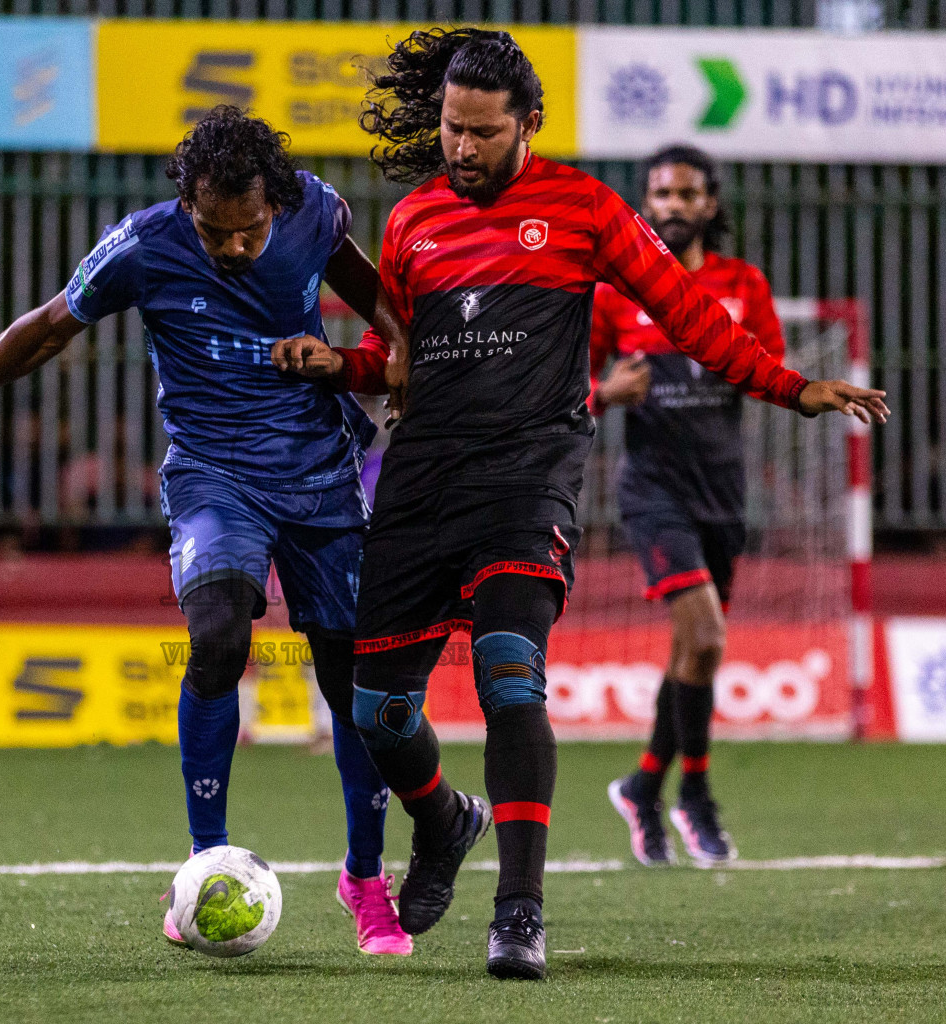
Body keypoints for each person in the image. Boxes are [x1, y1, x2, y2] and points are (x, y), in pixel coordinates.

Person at [281, 28, 887, 979]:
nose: (462, 148)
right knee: (376, 709)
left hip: (528, 476)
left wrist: (792, 385)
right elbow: (398, 360)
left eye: (483, 132)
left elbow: (686, 314)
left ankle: (519, 913)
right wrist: (337, 366)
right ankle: (443, 823)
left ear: (530, 123)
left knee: (510, 674)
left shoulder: (584, 206)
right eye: (450, 129)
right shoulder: (410, 223)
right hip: (422, 477)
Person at [0, 107, 415, 955]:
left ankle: (366, 879)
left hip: (318, 474)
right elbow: (48, 326)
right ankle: (204, 865)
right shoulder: (142, 245)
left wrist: (403, 356)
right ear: (187, 202)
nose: (231, 247)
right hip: (213, 476)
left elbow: (377, 297)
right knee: (220, 633)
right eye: (213, 230)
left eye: (248, 230)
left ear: (274, 201)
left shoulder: (315, 209)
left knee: (353, 685)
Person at [588, 144, 790, 869]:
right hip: (653, 490)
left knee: (690, 653)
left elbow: (771, 374)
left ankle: (644, 785)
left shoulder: (743, 284)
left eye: (687, 193)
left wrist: (749, 369)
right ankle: (694, 795)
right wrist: (604, 394)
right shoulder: (616, 292)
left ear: (710, 204)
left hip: (722, 492)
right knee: (704, 638)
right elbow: (567, 392)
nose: (673, 205)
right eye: (661, 194)